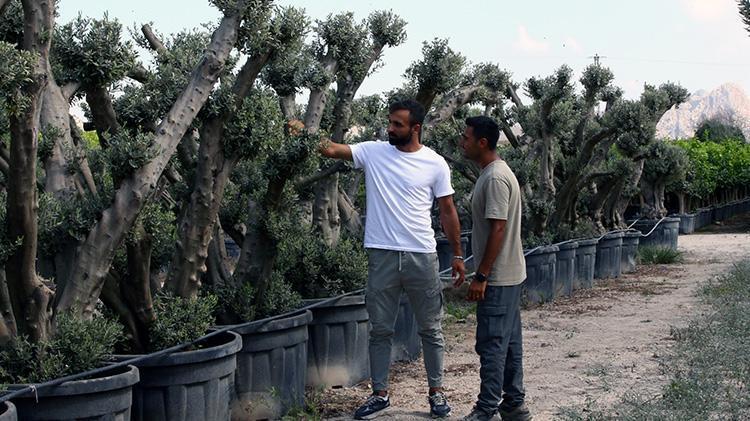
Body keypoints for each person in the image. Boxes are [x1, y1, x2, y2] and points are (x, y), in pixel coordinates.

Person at [319, 99, 466, 419]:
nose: (390, 128)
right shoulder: (373, 152)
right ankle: (380, 394)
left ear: (416, 128)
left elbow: (448, 211)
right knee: (380, 330)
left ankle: (437, 393)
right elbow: (330, 149)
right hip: (381, 255)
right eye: (390, 122)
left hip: (422, 255)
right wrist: (303, 132)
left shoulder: (435, 163)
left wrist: (457, 254)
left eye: (397, 124)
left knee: (431, 329)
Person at [458, 116, 532, 421]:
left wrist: (482, 275)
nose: (462, 142)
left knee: (491, 344)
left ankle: (486, 408)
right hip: (508, 275)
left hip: (498, 278)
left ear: (482, 142)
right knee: (509, 344)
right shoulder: (493, 173)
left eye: (466, 138)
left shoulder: (495, 178)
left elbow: (498, 228)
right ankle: (513, 404)